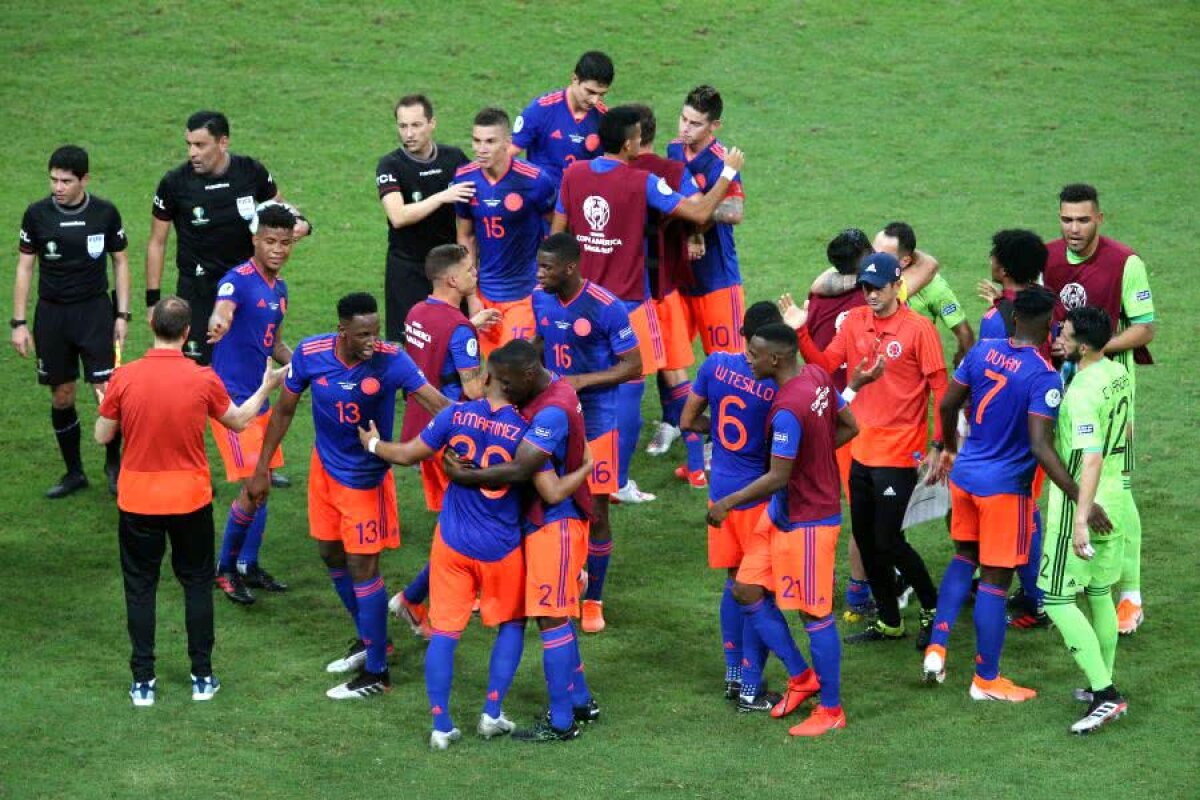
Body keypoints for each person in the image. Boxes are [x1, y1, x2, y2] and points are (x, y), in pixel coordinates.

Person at [358, 342, 586, 750]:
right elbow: (550, 490)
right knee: (513, 625)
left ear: (488, 378)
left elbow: (407, 454)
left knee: (444, 632)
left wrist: (373, 444)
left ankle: (441, 726)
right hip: (502, 548)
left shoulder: (455, 415)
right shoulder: (525, 429)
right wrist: (586, 468)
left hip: (452, 544)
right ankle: (491, 714)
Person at [246, 293, 448, 700]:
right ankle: (373, 641)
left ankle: (377, 673)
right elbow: (284, 410)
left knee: (363, 568)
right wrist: (262, 466)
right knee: (330, 555)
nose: (373, 341)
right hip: (324, 470)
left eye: (376, 332)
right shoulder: (311, 354)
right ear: (342, 330)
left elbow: (440, 405)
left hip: (365, 479)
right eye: (363, 335)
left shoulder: (392, 360)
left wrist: (471, 434)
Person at [94, 296, 284, 707]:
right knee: (196, 584)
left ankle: (143, 682)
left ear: (152, 328)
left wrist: (105, 402)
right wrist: (267, 387)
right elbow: (239, 421)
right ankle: (202, 677)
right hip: (189, 501)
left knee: (140, 588)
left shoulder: (124, 378)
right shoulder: (203, 378)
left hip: (138, 502)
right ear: (186, 333)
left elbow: (102, 435)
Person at [552, 104, 744, 503]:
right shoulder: (641, 182)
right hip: (628, 305)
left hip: (579, 300)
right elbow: (700, 211)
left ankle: (565, 473)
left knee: (574, 388)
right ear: (628, 144)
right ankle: (617, 482)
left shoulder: (573, 174)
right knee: (628, 390)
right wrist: (728, 172)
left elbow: (556, 238)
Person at [921, 287, 1080, 702]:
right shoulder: (1043, 377)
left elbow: (947, 405)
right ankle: (985, 680)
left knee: (964, 557)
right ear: (1049, 325)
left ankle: (937, 646)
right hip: (1005, 490)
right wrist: (1079, 495)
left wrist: (949, 448)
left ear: (1014, 319)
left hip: (966, 477)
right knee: (995, 579)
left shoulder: (982, 351)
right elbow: (1040, 446)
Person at [439, 340, 598, 742]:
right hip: (542, 523)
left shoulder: (552, 410)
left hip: (557, 526)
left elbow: (524, 468)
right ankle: (580, 700)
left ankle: (562, 723)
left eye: (507, 383)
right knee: (555, 614)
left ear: (528, 375)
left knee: (552, 619)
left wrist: (466, 476)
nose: (503, 389)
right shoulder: (546, 387)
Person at [706, 323, 860, 736]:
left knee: (815, 614)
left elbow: (777, 476)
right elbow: (849, 426)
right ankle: (801, 676)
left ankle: (831, 709)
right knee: (746, 588)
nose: (747, 359)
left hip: (809, 520)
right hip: (783, 512)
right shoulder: (817, 375)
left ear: (775, 359)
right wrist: (814, 459)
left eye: (753, 354)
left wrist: (727, 503)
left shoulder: (787, 410)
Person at [785, 252, 946, 647]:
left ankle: (932, 607)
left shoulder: (919, 329)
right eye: (866, 288)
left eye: (877, 288)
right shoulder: (855, 321)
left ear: (896, 286)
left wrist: (939, 445)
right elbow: (824, 365)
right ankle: (890, 620)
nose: (871, 294)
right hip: (860, 450)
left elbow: (941, 389)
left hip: (899, 453)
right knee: (866, 538)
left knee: (889, 541)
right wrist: (801, 332)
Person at [1043, 183, 1155, 635]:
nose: (1073, 228)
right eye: (1066, 219)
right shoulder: (1048, 257)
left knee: (1117, 487)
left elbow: (1145, 328)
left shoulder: (1125, 262)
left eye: (1083, 220)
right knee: (1066, 472)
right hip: (1062, 385)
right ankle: (1072, 577)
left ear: (1099, 219)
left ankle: (1130, 595)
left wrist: (1093, 347)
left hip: (1109, 386)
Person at [532, 234, 641, 634]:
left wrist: (580, 381)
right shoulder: (540, 298)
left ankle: (593, 598)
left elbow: (632, 365)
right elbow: (542, 340)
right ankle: (562, 579)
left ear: (570, 268)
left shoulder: (606, 306)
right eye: (538, 266)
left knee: (595, 512)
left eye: (546, 267)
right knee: (545, 502)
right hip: (550, 417)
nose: (538, 274)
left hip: (596, 422)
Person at [145, 110, 310, 366]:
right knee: (200, 368)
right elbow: (157, 242)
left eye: (200, 145)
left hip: (247, 285)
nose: (192, 153)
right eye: (189, 145)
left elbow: (278, 208)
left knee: (250, 359)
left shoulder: (250, 171)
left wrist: (303, 223)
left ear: (222, 142)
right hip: (198, 290)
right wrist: (152, 301)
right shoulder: (175, 183)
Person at [1038, 306, 1136, 734]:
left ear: (1083, 346)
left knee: (1056, 599)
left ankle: (1104, 693)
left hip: (1084, 505)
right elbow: (1126, 431)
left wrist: (1080, 519)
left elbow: (1090, 458)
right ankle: (1104, 678)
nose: (1059, 335)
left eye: (1066, 332)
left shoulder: (1080, 393)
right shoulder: (1118, 372)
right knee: (1099, 592)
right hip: (1117, 499)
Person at [12, 145, 130, 498]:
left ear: (84, 179)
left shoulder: (105, 213)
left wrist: (122, 315)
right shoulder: (36, 215)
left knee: (106, 394)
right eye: (53, 180)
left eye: (65, 181)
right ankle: (74, 472)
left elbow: (120, 262)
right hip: (53, 316)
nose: (58, 187)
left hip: (95, 313)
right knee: (62, 395)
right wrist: (19, 322)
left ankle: (114, 466)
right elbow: (25, 267)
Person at [388, 243, 492, 637]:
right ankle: (414, 599)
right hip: (452, 438)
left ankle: (424, 598)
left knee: (453, 522)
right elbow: (474, 389)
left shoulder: (417, 311)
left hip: (421, 430)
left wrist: (470, 325)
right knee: (469, 523)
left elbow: (432, 351)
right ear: (451, 279)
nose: (474, 274)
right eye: (469, 270)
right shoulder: (459, 329)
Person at [205, 202, 298, 605]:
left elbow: (272, 343)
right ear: (255, 240)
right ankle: (225, 569)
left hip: (260, 400)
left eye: (285, 242)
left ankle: (247, 564)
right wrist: (219, 323)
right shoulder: (237, 281)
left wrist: (305, 367)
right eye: (270, 241)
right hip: (232, 406)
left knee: (263, 486)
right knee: (254, 486)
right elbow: (222, 311)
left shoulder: (280, 290)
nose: (278, 249)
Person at [976, 229, 1053, 629]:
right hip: (1042, 418)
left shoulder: (996, 321)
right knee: (1026, 506)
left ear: (1002, 267)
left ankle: (1037, 599)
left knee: (1021, 510)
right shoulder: (1046, 305)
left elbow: (986, 378)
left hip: (1008, 430)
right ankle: (1032, 591)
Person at [627, 103, 707, 487]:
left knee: (621, 379)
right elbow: (699, 207)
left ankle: (613, 473)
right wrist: (688, 230)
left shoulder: (614, 171)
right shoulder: (673, 171)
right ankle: (696, 466)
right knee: (677, 376)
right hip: (664, 289)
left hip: (629, 294)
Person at [803, 229, 873, 621]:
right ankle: (860, 593)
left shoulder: (818, 297)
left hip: (821, 410)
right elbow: (927, 265)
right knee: (865, 508)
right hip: (864, 416)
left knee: (823, 506)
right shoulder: (876, 297)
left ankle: (816, 586)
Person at [454, 107, 557, 355]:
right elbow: (466, 235)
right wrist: (472, 296)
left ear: (507, 143)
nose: (481, 149)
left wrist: (546, 281)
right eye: (476, 141)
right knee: (491, 368)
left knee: (514, 365)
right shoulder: (464, 179)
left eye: (490, 141)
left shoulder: (535, 180)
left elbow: (557, 228)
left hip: (524, 294)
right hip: (485, 295)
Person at [376, 94, 472, 338]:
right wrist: (442, 197)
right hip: (408, 269)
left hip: (448, 269)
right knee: (412, 342)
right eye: (402, 126)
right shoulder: (390, 165)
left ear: (432, 123)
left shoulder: (454, 158)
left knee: (454, 337)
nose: (409, 134)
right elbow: (398, 216)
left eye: (416, 125)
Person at [667, 85, 747, 356]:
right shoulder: (674, 149)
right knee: (672, 363)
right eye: (683, 119)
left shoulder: (722, 162)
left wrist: (694, 220)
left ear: (714, 126)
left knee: (728, 363)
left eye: (695, 124)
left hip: (717, 278)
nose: (685, 128)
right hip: (679, 276)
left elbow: (734, 211)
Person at [873, 223, 975, 366]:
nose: (872, 261)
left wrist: (963, 365)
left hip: (910, 366)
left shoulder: (934, 286)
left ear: (905, 261)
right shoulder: (868, 278)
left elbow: (964, 333)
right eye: (872, 253)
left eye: (882, 257)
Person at [511, 51, 614, 186]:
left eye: (601, 94)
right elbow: (507, 154)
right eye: (590, 92)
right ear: (575, 79)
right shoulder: (541, 109)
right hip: (544, 196)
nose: (594, 100)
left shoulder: (606, 119)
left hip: (580, 196)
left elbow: (614, 167)